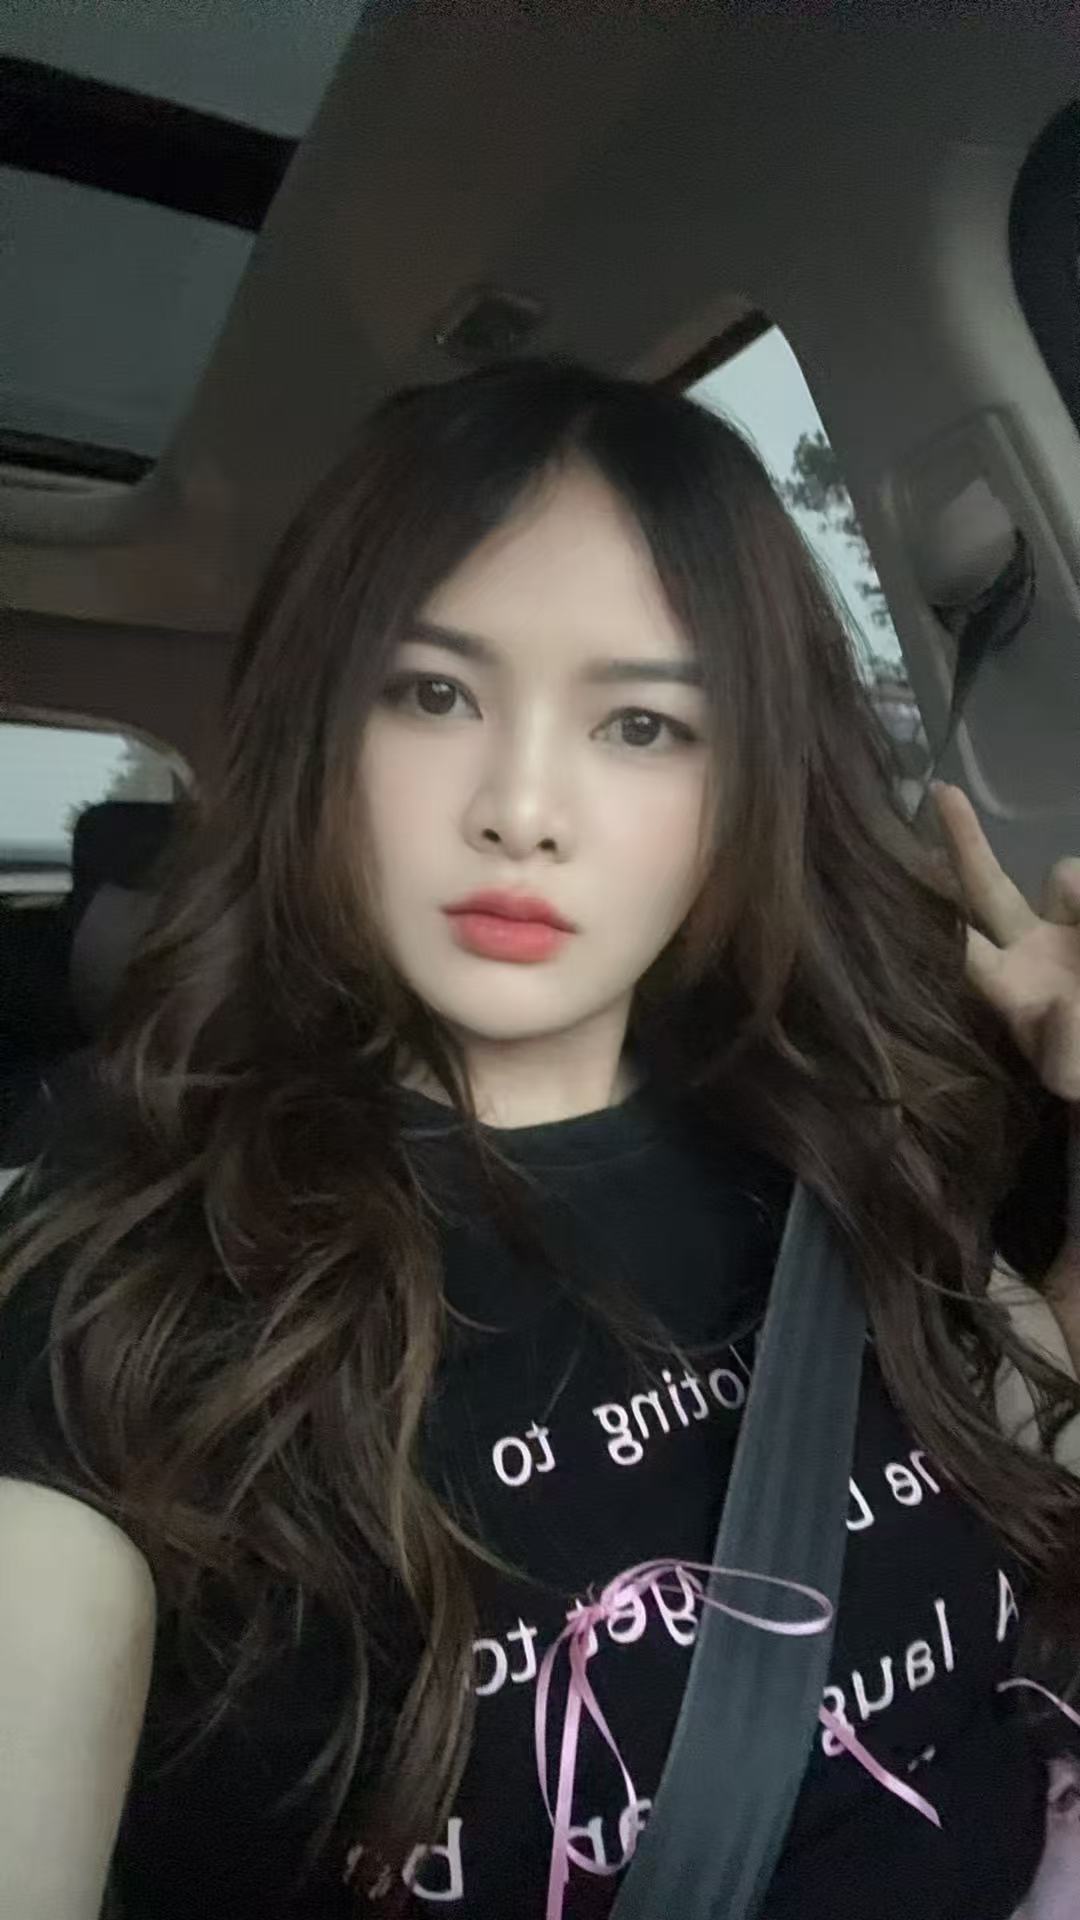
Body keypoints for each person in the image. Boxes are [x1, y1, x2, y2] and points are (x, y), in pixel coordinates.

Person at [1, 358, 1079, 1920]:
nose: (522, 807)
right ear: (319, 735)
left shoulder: (840, 1138)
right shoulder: (126, 1275)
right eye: (434, 694)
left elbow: (1037, 1443)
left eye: (641, 724)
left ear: (746, 787)